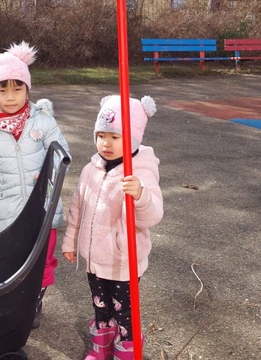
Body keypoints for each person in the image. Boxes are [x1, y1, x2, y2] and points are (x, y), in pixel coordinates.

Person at [0, 41, 71, 329]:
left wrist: (50, 172)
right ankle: (15, 297)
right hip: (7, 210)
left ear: (28, 89)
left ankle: (34, 298)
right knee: (13, 259)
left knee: (42, 261)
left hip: (43, 209)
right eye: (2, 90)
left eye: (17, 89)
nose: (10, 97)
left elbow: (64, 154)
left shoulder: (43, 120)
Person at [61, 95, 163, 360]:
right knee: (101, 306)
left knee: (125, 312)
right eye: (101, 135)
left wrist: (140, 196)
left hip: (123, 260)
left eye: (115, 137)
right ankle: (102, 346)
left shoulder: (141, 171)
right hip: (95, 258)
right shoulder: (90, 169)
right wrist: (70, 241)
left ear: (134, 138)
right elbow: (78, 207)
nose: (106, 143)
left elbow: (152, 216)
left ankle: (127, 351)